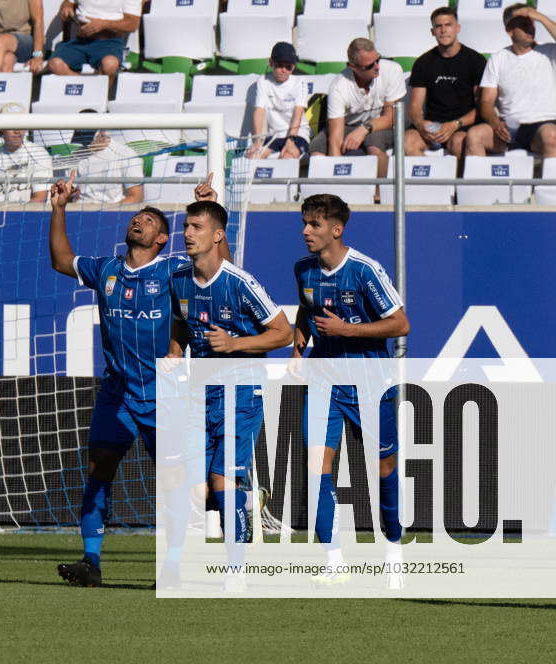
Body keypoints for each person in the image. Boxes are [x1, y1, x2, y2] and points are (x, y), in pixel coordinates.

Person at [49, 173, 227, 587]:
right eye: (136, 217)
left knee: (172, 482)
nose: (139, 221)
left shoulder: (173, 270)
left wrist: (210, 212)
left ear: (162, 238)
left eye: (148, 220)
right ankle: (90, 561)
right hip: (116, 391)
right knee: (99, 467)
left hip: (165, 393)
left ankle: (173, 565)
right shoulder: (107, 269)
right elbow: (61, 261)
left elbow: (220, 267)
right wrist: (58, 208)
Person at [168, 201, 292, 593]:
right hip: (199, 393)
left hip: (241, 388)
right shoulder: (180, 280)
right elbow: (180, 323)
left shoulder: (240, 282)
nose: (188, 233)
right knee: (195, 486)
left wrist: (235, 342)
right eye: (186, 226)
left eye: (197, 227)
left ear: (217, 235)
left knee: (221, 480)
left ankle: (235, 570)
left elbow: (283, 333)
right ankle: (248, 499)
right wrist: (174, 352)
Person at [290, 193, 410, 589]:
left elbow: (400, 324)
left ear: (336, 230)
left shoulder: (364, 271)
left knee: (383, 469)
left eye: (315, 225)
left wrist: (348, 330)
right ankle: (333, 560)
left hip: (370, 383)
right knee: (317, 467)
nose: (306, 231)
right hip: (324, 380)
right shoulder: (304, 270)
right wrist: (298, 347)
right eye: (305, 223)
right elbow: (306, 313)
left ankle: (393, 552)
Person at [464, 4, 556, 158]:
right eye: (523, 23)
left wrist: (539, 17)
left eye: (531, 22)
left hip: (544, 124)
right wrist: (495, 123)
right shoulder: (498, 58)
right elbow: (486, 101)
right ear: (509, 30)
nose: (530, 26)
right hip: (508, 127)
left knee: (552, 136)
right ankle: (479, 183)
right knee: (474, 136)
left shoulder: (550, 52)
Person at [309, 38, 407, 178]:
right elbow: (335, 139)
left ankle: (378, 195)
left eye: (377, 60)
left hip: (384, 123)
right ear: (352, 67)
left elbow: (391, 117)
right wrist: (336, 173)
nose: (377, 66)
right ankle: (331, 193)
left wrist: (363, 129)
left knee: (373, 143)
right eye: (369, 65)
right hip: (349, 125)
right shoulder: (339, 86)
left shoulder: (392, 69)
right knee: (317, 148)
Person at [404, 7, 487, 158]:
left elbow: (482, 107)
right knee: (408, 140)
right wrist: (421, 125)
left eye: (448, 25)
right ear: (432, 31)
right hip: (433, 127)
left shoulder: (476, 61)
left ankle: (457, 181)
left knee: (458, 142)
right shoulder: (423, 63)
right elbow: (415, 107)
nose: (443, 30)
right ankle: (426, 181)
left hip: (462, 125)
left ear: (457, 28)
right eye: (438, 26)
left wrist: (454, 125)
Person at [47, 0, 142, 90]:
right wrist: (67, 7)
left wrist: (104, 24)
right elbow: (68, 2)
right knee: (55, 64)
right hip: (80, 40)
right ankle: (90, 89)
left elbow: (132, 23)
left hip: (109, 41)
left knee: (110, 64)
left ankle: (97, 94)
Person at [246, 42, 310, 161]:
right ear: (271, 63)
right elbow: (259, 111)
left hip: (298, 134)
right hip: (274, 136)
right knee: (253, 157)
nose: (284, 70)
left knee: (287, 157)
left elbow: (298, 114)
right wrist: (257, 141)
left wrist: (291, 140)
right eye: (280, 65)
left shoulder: (300, 83)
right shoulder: (263, 81)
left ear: (294, 67)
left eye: (288, 67)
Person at [68, 115, 144, 203]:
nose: (84, 142)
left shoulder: (126, 154)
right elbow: (68, 192)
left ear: (102, 132)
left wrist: (109, 212)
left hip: (112, 211)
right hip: (79, 210)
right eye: (81, 137)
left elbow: (136, 197)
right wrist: (71, 193)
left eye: (88, 138)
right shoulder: (77, 154)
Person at [0, 120, 54, 202]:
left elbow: (39, 198)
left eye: (20, 126)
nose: (17, 131)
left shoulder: (38, 153)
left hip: (33, 212)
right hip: (1, 212)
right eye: (12, 127)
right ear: (1, 130)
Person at [0, 0, 46, 74]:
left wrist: (38, 56)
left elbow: (38, 22)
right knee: (7, 60)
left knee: (2, 40)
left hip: (25, 41)